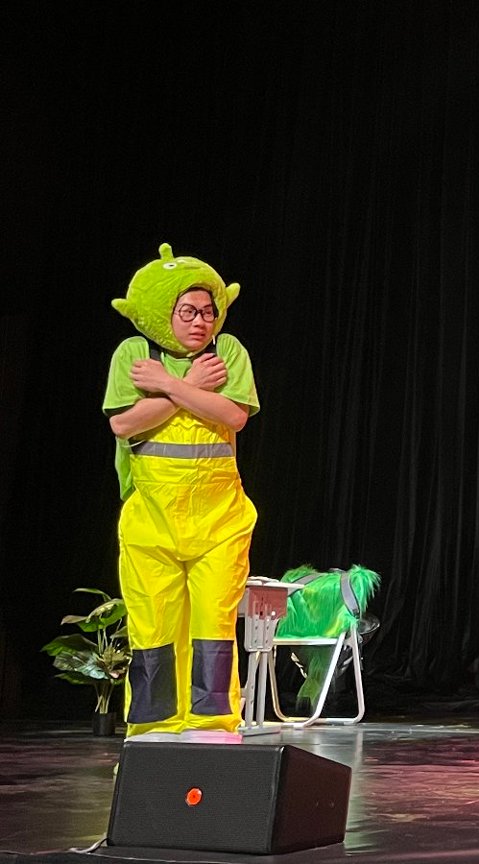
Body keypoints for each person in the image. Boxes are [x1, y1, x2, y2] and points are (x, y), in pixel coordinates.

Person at [104, 243, 259, 742]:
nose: (200, 322)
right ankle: (155, 725)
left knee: (214, 623)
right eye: (188, 311)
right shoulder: (134, 354)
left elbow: (234, 415)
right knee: (154, 624)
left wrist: (170, 385)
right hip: (152, 517)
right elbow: (124, 424)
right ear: (162, 312)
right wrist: (192, 387)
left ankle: (211, 724)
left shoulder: (227, 351)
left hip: (219, 517)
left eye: (208, 311)